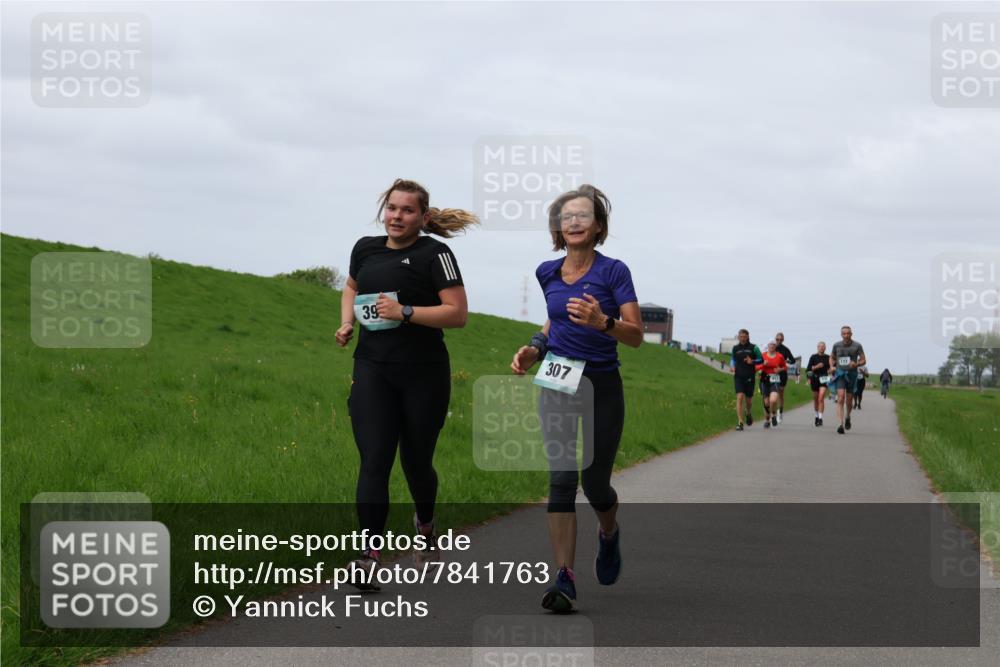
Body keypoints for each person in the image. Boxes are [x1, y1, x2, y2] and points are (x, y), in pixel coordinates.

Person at [336, 178, 476, 587]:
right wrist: (347, 322)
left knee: (416, 463)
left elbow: (457, 313)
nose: (397, 216)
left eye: (407, 210)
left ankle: (426, 527)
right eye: (392, 208)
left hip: (424, 374)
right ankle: (368, 555)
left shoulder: (436, 254)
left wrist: (405, 311)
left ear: (423, 217)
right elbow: (351, 287)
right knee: (374, 461)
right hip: (372, 370)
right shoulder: (365, 248)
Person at [510, 184, 642, 613]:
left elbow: (636, 335)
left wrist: (604, 321)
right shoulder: (546, 272)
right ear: (558, 227)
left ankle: (608, 533)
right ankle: (564, 578)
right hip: (557, 379)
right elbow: (552, 324)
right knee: (562, 480)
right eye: (566, 216)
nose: (574, 222)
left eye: (583, 215)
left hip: (601, 383)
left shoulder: (614, 271)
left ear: (598, 225)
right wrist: (534, 348)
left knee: (595, 482)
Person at [829, 325, 866, 435]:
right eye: (844, 333)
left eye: (848, 333)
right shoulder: (836, 345)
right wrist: (831, 366)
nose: (846, 335)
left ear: (851, 334)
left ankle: (848, 417)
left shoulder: (857, 345)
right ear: (841, 334)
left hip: (852, 374)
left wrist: (857, 363)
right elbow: (832, 357)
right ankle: (840, 424)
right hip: (840, 374)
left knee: (849, 401)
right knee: (840, 398)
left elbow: (864, 360)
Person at [729, 329, 762, 431]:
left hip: (749, 377)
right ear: (738, 337)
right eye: (740, 336)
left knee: (748, 401)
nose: (742, 338)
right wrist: (732, 366)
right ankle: (740, 422)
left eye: (744, 336)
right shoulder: (735, 348)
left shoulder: (754, 348)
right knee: (739, 397)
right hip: (738, 376)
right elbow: (732, 359)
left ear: (748, 337)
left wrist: (752, 361)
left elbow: (761, 360)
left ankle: (748, 413)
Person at [756, 341, 788, 428]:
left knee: (773, 400)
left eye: (773, 345)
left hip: (775, 380)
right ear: (768, 346)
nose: (772, 346)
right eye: (770, 345)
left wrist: (779, 370)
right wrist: (763, 364)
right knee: (766, 403)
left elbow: (785, 367)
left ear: (775, 346)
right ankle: (767, 419)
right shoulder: (763, 356)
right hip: (764, 380)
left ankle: (773, 414)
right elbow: (755, 367)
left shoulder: (779, 356)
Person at [805, 342, 831, 426]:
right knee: (816, 399)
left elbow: (833, 368)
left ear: (825, 348)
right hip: (815, 378)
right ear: (817, 347)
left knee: (821, 398)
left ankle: (820, 418)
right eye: (820, 346)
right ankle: (816, 415)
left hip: (824, 378)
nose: (821, 348)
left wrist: (831, 371)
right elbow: (809, 369)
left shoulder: (828, 357)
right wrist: (816, 367)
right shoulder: (813, 357)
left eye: (823, 347)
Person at [774, 332, 794, 424]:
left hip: (782, 373)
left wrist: (787, 360)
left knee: (780, 394)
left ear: (783, 340)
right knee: (774, 394)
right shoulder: (772, 347)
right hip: (772, 373)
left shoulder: (785, 349)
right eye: (777, 339)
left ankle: (780, 411)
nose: (778, 341)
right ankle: (773, 413)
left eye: (780, 339)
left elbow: (793, 360)